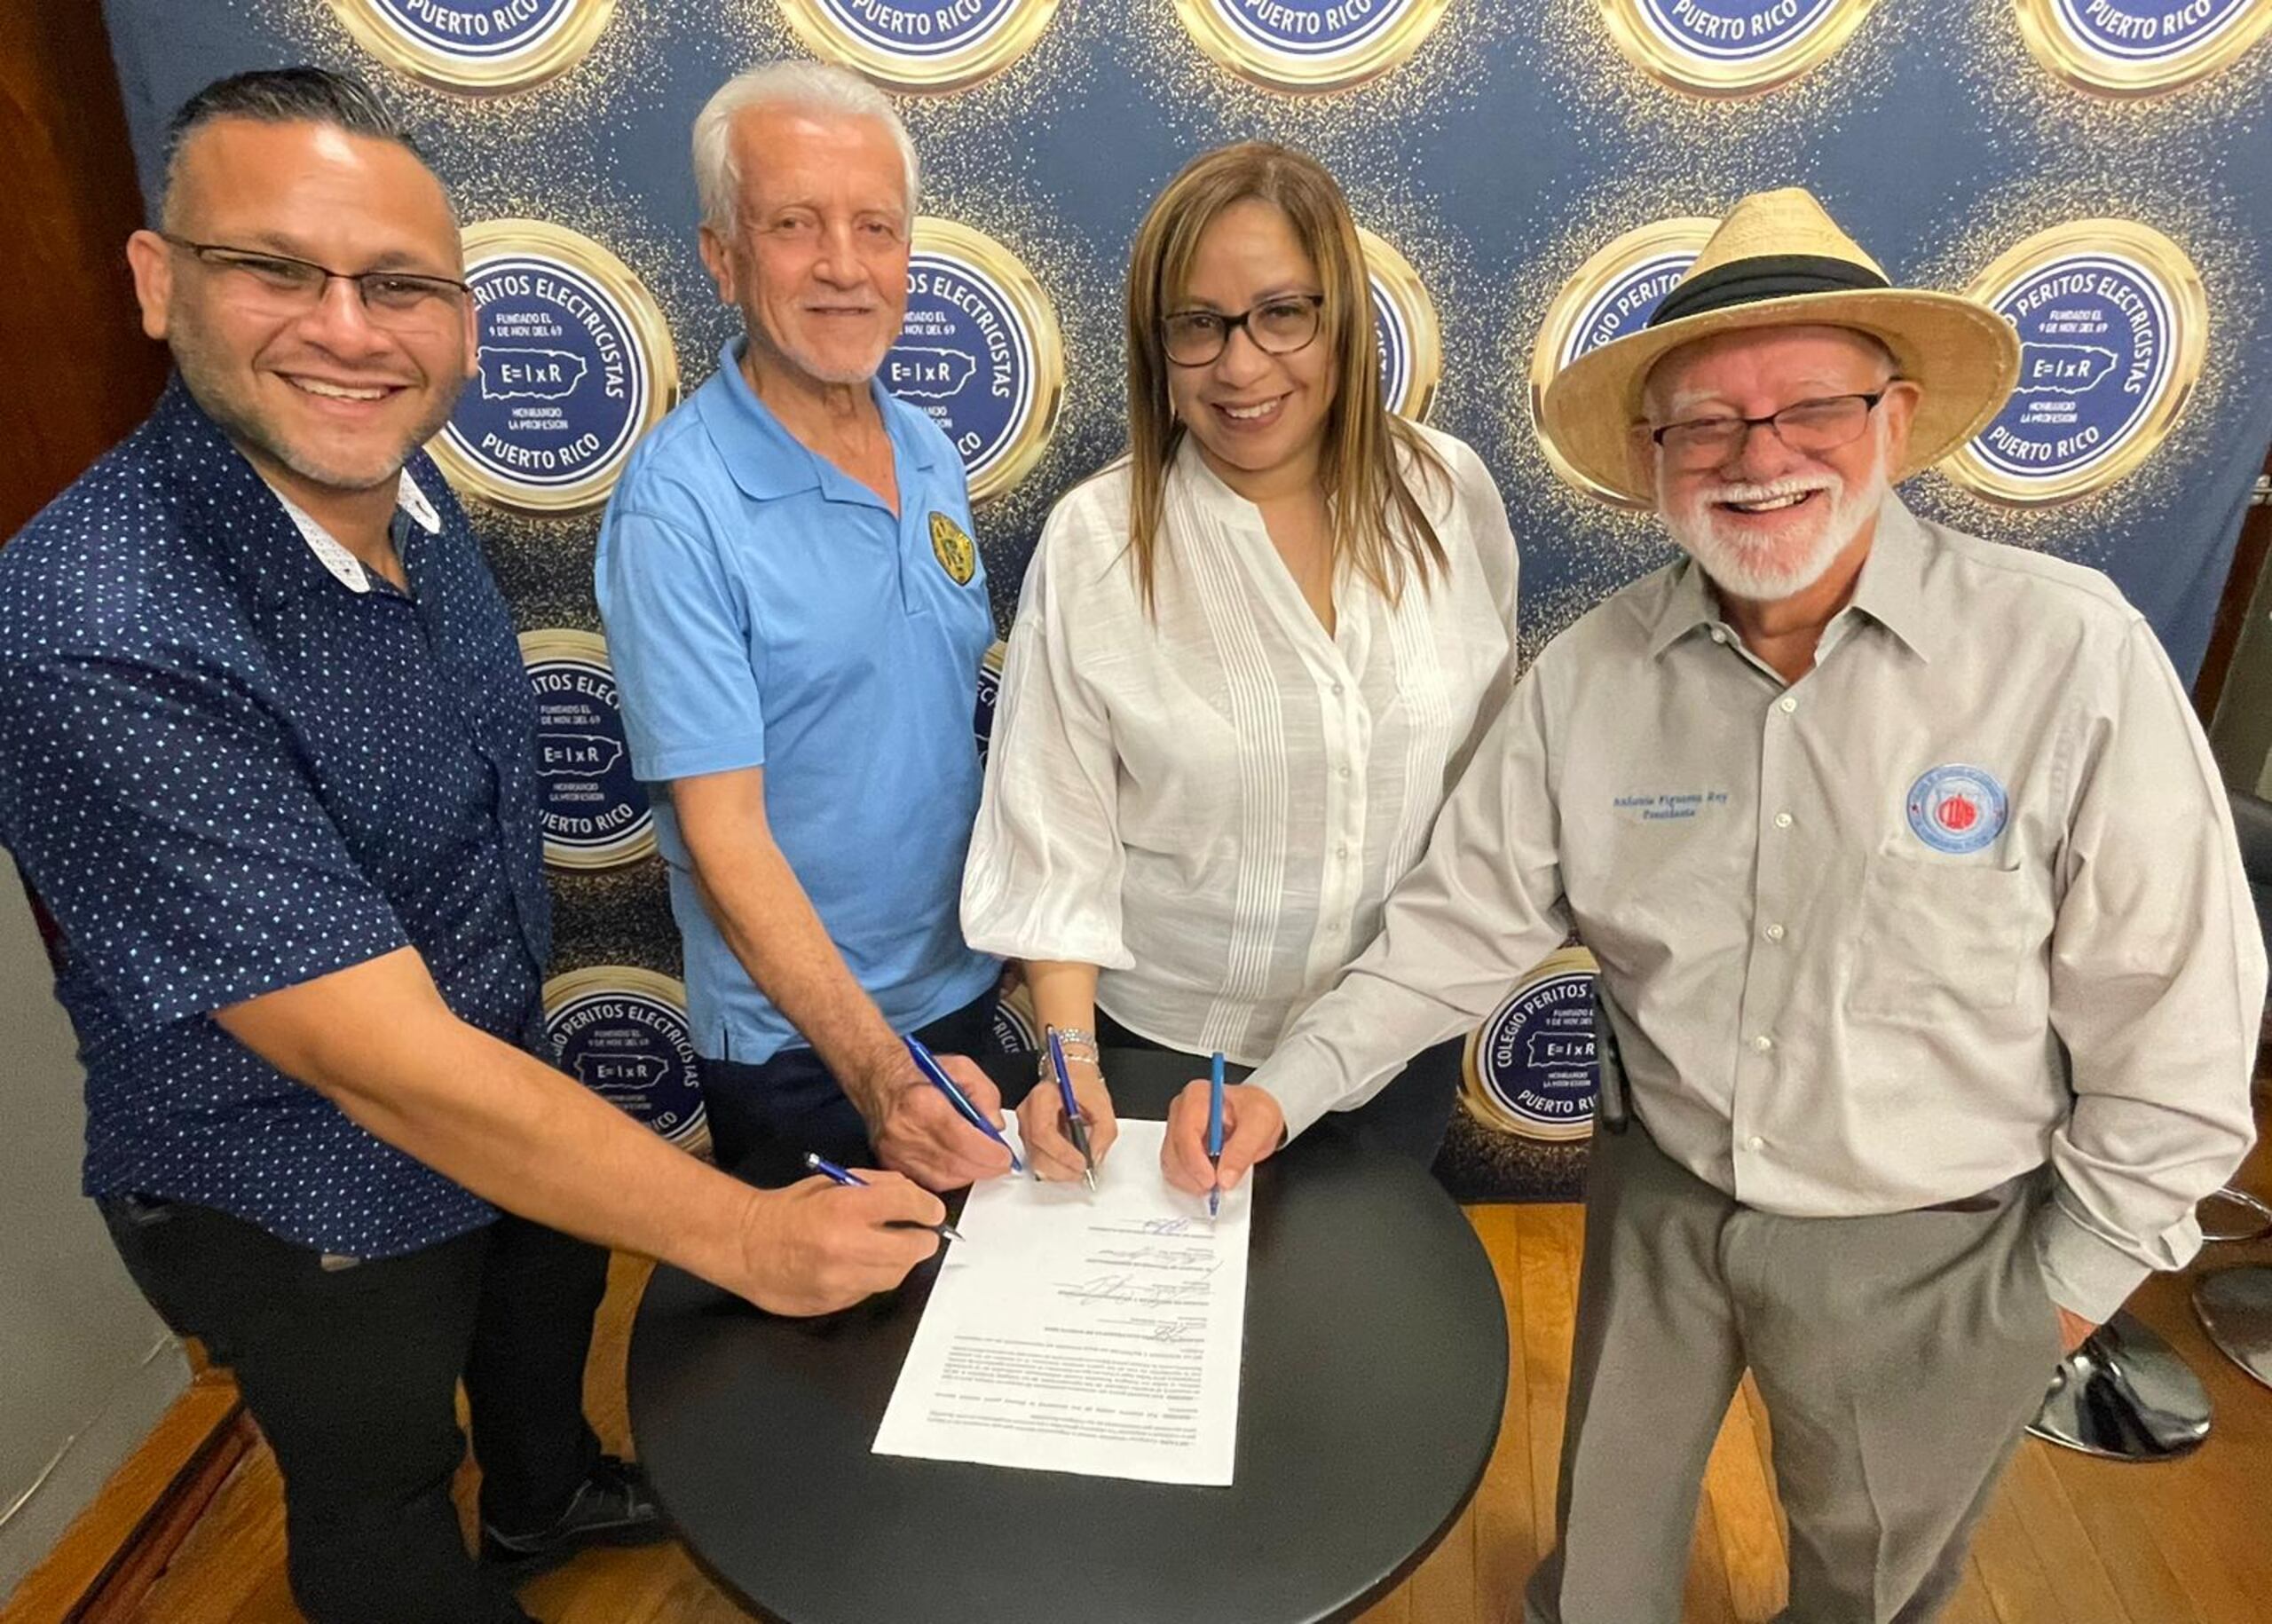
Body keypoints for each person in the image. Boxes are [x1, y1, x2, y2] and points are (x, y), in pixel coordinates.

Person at [1169, 188, 2265, 1623]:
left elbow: (2177, 1040)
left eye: (1811, 407)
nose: (1762, 460)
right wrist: (1282, 1092)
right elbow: (1450, 934)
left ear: (1896, 417)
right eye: (1709, 424)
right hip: (1662, 1203)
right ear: (1654, 456)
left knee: (1866, 1591)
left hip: (1934, 1251)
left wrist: (2042, 1310)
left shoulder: (2072, 660)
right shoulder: (1588, 680)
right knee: (1601, 1570)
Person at [0, 68, 946, 1624]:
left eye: (399, 285)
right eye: (277, 270)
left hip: (504, 1069)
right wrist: (747, 1238)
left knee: (541, 1311)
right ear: (160, 283)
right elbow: (373, 1060)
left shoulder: (389, 474)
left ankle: (545, 1497)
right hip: (294, 1179)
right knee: (376, 1489)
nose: (350, 330)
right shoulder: (99, 629)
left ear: (459, 318)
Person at [961, 141, 1519, 1181]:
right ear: (1156, 344)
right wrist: (1069, 1056)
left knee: (1356, 1319)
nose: (1241, 364)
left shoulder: (1450, 496)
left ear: (1341, 315)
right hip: (1164, 1055)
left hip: (1393, 1042)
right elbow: (1055, 826)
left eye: (1281, 313)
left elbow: (1487, 790)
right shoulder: (1097, 542)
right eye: (1198, 324)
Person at [596, 61, 1011, 1193]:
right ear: (722, 256)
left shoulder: (926, 447)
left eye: (874, 226)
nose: (842, 264)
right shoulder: (677, 508)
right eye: (794, 225)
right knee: (823, 1362)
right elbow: (723, 838)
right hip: (801, 1049)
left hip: (959, 994)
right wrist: (880, 1074)